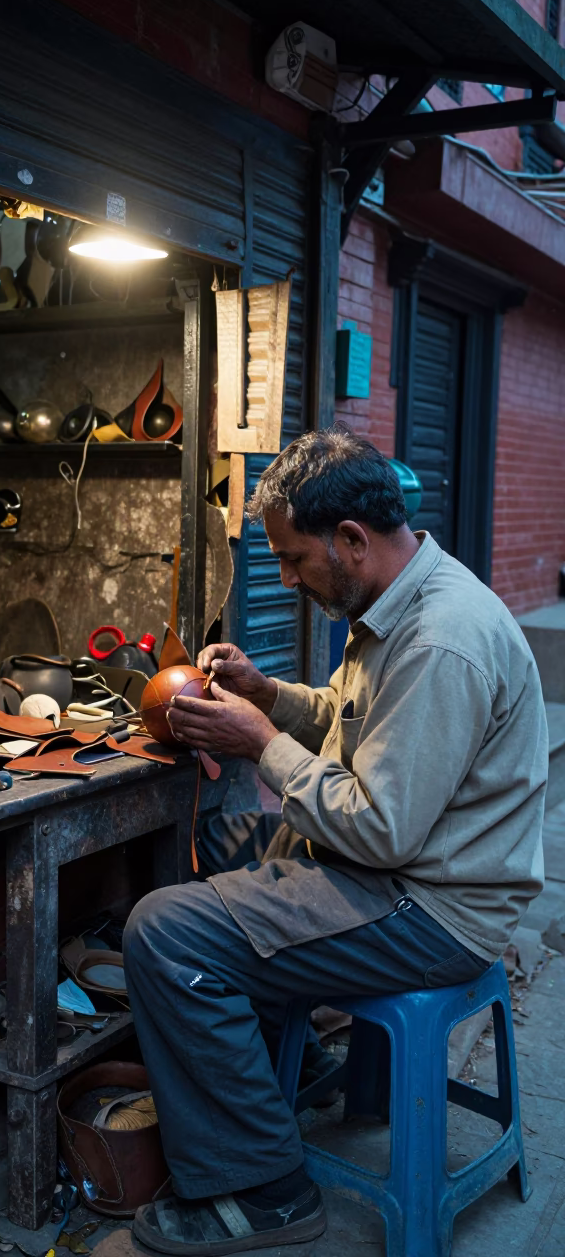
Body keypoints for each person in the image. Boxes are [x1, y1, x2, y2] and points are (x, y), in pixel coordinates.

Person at [124, 425, 547, 1256]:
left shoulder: (439, 640)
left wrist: (256, 742)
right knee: (233, 840)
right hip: (411, 869)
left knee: (166, 934)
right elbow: (355, 729)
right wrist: (269, 696)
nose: (287, 579)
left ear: (351, 540)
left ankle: (266, 1190)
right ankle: (271, 1069)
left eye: (294, 560)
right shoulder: (397, 599)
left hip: (432, 909)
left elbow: (381, 828)